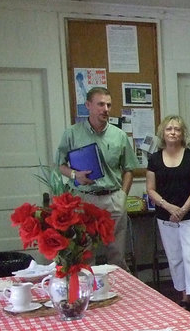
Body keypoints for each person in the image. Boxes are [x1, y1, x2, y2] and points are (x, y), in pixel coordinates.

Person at [57, 86, 138, 270]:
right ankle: (88, 297)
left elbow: (129, 169)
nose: (106, 109)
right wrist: (74, 174)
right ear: (88, 105)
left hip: (113, 199)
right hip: (84, 199)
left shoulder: (119, 136)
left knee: (117, 255)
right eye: (101, 104)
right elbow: (60, 165)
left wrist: (122, 196)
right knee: (84, 254)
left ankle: (119, 295)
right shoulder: (72, 134)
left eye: (109, 105)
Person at [146, 115, 190, 319]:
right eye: (169, 129)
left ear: (183, 133)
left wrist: (183, 209)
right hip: (166, 216)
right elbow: (150, 189)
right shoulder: (154, 159)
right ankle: (186, 296)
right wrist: (169, 207)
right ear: (163, 133)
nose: (173, 132)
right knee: (175, 257)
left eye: (177, 129)